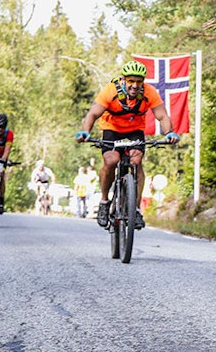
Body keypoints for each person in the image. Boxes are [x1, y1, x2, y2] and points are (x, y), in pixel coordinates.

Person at [75, 60, 180, 229]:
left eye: (139, 81)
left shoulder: (149, 92)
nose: (135, 85)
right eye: (131, 81)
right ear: (124, 80)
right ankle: (104, 201)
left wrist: (169, 133)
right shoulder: (110, 91)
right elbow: (93, 114)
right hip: (111, 129)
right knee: (111, 161)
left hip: (135, 130)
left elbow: (162, 116)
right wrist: (85, 132)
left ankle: (136, 209)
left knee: (136, 162)